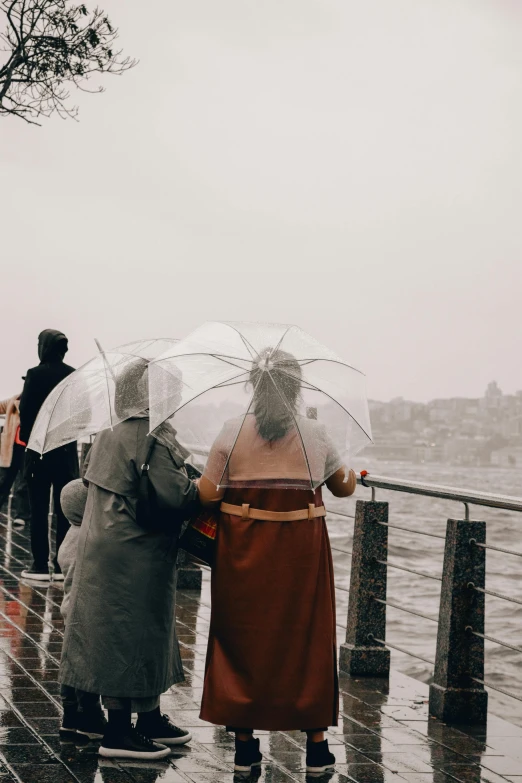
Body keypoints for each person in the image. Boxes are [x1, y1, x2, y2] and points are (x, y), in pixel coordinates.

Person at [197, 349, 357, 775]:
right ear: (297, 385)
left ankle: (247, 747)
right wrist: (353, 473)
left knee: (242, 635)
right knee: (306, 637)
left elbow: (208, 495)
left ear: (253, 384)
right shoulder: (315, 432)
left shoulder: (231, 431)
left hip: (243, 548)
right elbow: (343, 488)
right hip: (300, 551)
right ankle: (318, 746)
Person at [59, 362, 201, 761]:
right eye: (170, 391)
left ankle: (149, 719)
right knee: (133, 633)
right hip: (136, 552)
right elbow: (175, 495)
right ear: (155, 395)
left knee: (119, 631)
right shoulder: (150, 436)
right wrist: (202, 487)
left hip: (104, 543)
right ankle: (120, 732)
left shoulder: (109, 431)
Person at [19, 329, 79, 581]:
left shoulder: (34, 374)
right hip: (65, 452)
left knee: (39, 508)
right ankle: (61, 565)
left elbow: (26, 414)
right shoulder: (73, 376)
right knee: (64, 511)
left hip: (39, 452)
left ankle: (40, 565)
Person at [58, 478, 107, 740]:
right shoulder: (86, 540)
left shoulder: (70, 536)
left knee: (70, 666)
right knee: (85, 668)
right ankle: (90, 716)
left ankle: (69, 717)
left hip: (70, 611)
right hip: (83, 612)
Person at [0, 394, 31, 528]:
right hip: (11, 447)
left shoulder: (38, 400)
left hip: (28, 448)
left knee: (24, 483)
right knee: (3, 480)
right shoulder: (14, 400)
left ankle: (22, 516)